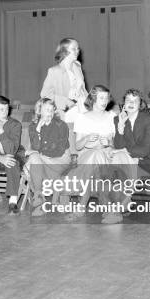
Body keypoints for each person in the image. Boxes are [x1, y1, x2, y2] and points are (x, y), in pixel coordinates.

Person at [102, 89, 150, 224]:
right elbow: (119, 145)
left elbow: (144, 150)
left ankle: (115, 209)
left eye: (135, 101)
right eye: (128, 100)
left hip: (146, 161)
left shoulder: (149, 119)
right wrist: (120, 127)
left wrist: (123, 151)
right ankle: (118, 206)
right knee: (119, 160)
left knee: (119, 160)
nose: (131, 103)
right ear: (124, 103)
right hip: (127, 160)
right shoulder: (118, 119)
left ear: (141, 104)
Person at [63, 85, 116, 213]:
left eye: (106, 98)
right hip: (86, 155)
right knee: (94, 157)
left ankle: (83, 203)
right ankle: (105, 204)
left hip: (106, 155)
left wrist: (108, 142)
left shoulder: (111, 116)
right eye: (101, 98)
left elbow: (114, 145)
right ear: (93, 99)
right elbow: (78, 146)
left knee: (97, 156)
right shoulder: (82, 117)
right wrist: (86, 139)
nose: (104, 101)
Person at [25, 98, 71, 216]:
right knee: (35, 159)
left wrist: (38, 154)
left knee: (33, 160)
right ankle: (39, 197)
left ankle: (39, 204)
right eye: (46, 110)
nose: (49, 113)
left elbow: (59, 151)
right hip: (43, 161)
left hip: (61, 159)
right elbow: (35, 147)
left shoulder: (61, 125)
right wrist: (38, 130)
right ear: (39, 111)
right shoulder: (33, 127)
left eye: (51, 110)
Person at [40, 37, 87, 115]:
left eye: (78, 48)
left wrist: (91, 103)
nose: (77, 51)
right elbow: (45, 94)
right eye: (73, 49)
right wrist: (66, 102)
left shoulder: (78, 66)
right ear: (64, 51)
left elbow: (83, 90)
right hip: (64, 110)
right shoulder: (54, 71)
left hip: (81, 106)